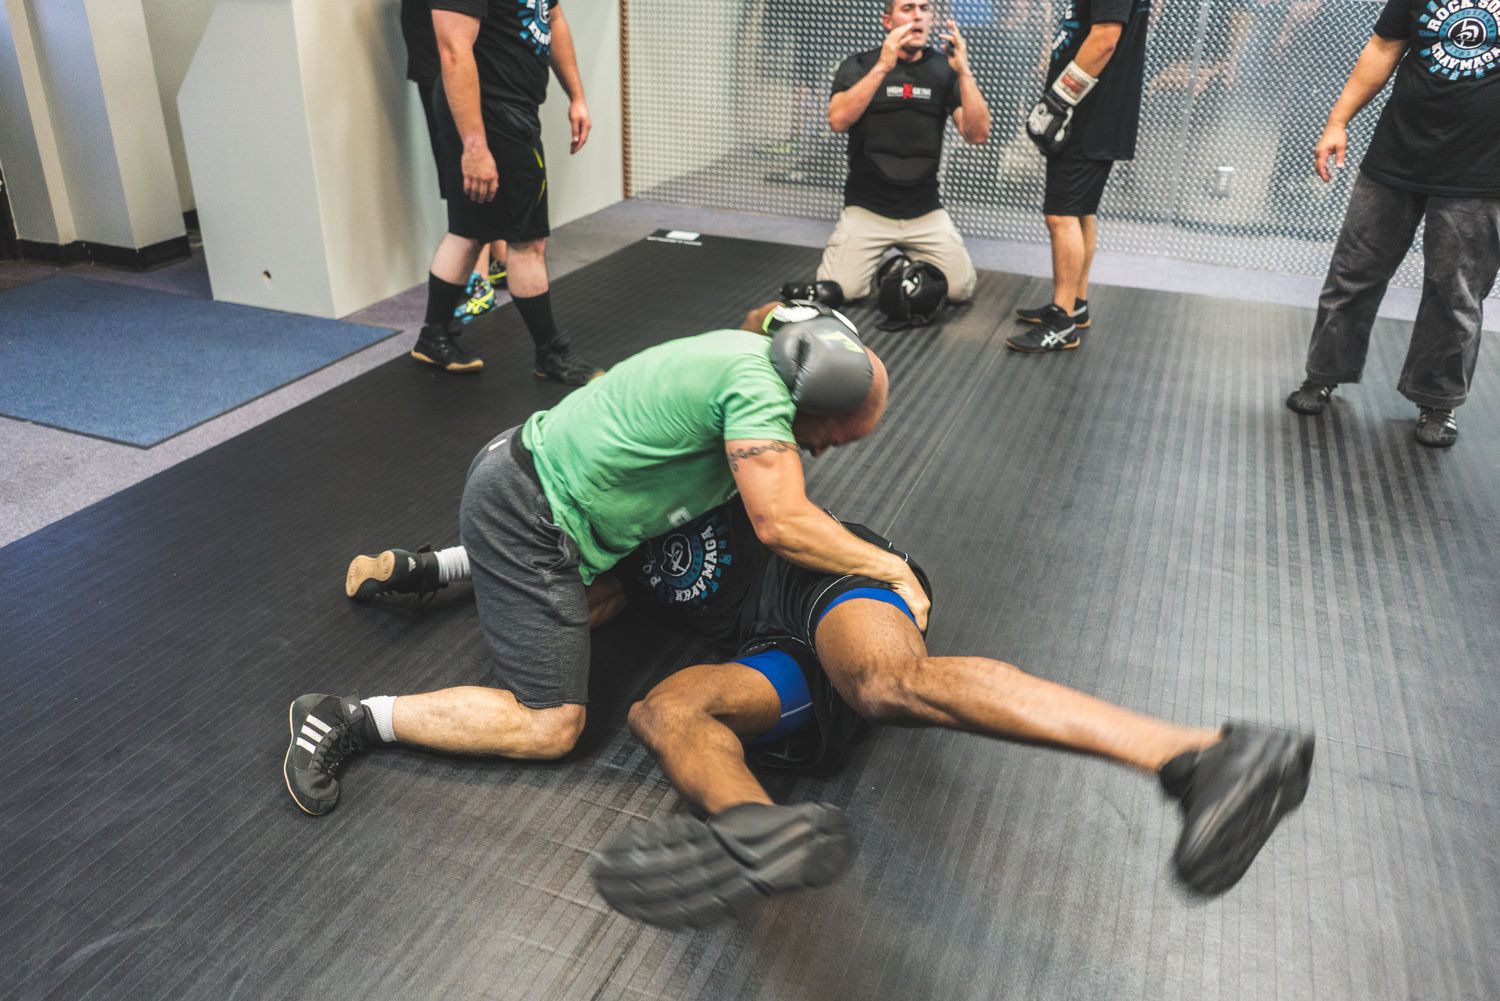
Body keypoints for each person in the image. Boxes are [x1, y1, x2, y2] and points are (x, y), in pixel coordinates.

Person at [321, 490, 1315, 928]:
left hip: (828, 587)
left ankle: (1203, 752)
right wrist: (425, 567)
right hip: (768, 659)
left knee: (887, 681)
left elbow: (770, 391)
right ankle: (760, 833)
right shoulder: (596, 541)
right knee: (664, 709)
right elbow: (539, 574)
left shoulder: (708, 447)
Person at [282, 303, 926, 817]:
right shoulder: (758, 396)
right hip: (526, 514)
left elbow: (762, 320)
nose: (817, 452)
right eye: (827, 438)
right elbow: (782, 522)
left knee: (606, 602)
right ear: (807, 396)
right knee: (551, 723)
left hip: (530, 475)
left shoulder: (747, 348)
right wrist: (890, 568)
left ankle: (435, 568)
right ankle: (349, 717)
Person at [1284, 0, 1499, 447]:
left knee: (1455, 291)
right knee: (1353, 270)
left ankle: (1438, 401)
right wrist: (1337, 121)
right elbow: (1383, 47)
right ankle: (1323, 373)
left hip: (1480, 167)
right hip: (1397, 151)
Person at [411, 0, 600, 382]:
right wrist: (475, 145)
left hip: (514, 108)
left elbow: (553, 17)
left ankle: (433, 336)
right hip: (486, 114)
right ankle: (551, 351)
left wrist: (576, 95)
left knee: (469, 230)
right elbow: (453, 51)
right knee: (528, 241)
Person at [805, 0, 991, 308]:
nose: (918, 15)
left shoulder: (945, 69)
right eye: (908, 8)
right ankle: (889, 266)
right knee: (840, 290)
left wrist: (965, 73)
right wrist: (883, 67)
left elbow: (977, 134)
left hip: (924, 211)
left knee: (960, 290)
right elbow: (837, 121)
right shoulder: (859, 65)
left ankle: (900, 266)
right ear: (887, 20)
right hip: (867, 209)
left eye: (925, 8)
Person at [1007, 0, 1151, 353]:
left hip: (1087, 115)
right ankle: (1075, 303)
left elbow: (1104, 39)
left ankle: (1061, 322)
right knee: (1081, 210)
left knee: (1061, 215)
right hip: (1092, 113)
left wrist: (1058, 101)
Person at [398, 0, 507, 327]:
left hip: (455, 60)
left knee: (470, 170)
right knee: (469, 168)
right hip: (442, 52)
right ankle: (493, 265)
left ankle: (481, 279)